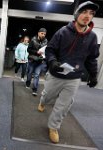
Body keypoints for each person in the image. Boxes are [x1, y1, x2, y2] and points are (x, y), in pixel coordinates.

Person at [37, 1, 99, 144]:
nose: (87, 16)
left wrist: (93, 75)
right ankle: (42, 101)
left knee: (64, 104)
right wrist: (52, 62)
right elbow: (50, 50)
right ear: (77, 14)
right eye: (84, 12)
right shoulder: (63, 32)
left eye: (91, 13)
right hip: (56, 74)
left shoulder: (92, 37)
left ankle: (53, 127)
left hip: (74, 77)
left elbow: (92, 59)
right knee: (48, 96)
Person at [26, 28, 48, 96]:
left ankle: (35, 89)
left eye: (44, 34)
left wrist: (45, 55)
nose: (43, 35)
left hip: (40, 61)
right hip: (32, 60)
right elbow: (28, 49)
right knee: (29, 73)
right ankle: (28, 82)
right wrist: (36, 52)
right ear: (38, 33)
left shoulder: (46, 41)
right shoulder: (33, 40)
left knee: (37, 75)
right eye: (42, 33)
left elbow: (46, 50)